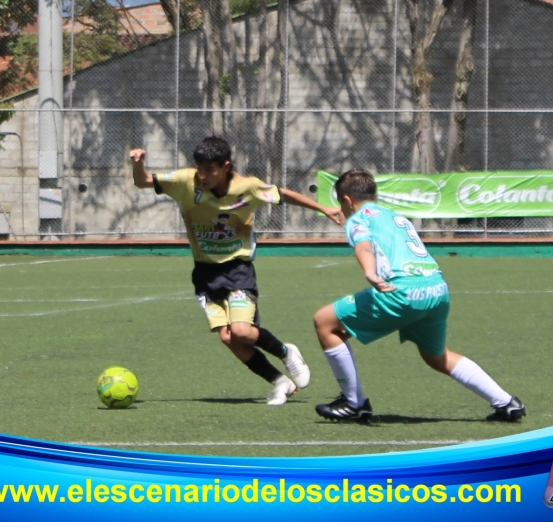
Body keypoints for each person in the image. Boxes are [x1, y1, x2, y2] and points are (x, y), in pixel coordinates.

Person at [130, 136, 343, 405]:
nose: (203, 175)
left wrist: (323, 208)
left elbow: (283, 194)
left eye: (210, 169)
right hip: (204, 274)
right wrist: (138, 164)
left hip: (238, 271)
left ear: (226, 166)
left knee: (242, 332)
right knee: (228, 337)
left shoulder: (248, 187)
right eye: (200, 168)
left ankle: (286, 351)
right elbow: (142, 181)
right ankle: (280, 382)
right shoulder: (185, 181)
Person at [312, 168, 525, 422]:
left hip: (403, 292)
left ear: (347, 200)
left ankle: (353, 403)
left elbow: (364, 246)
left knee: (324, 321)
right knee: (437, 356)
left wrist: (369, 271)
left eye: (340, 203)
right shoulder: (394, 215)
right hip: (436, 289)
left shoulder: (358, 218)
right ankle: (506, 402)